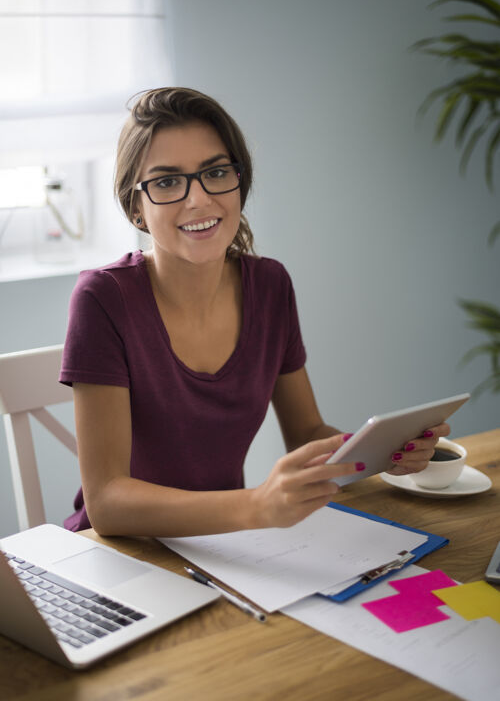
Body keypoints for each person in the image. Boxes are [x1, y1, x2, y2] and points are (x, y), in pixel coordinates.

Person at [59, 87, 449, 537]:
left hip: (224, 546)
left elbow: (305, 430)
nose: (199, 200)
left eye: (216, 172)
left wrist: (380, 455)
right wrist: (257, 506)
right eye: (167, 181)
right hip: (120, 554)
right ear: (136, 208)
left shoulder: (269, 286)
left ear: (239, 181)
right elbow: (106, 502)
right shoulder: (102, 298)